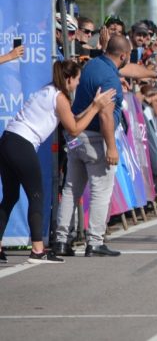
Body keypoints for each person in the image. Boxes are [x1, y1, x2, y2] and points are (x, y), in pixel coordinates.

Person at [0, 60, 115, 264]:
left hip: (8, 140)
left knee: (10, 197)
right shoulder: (60, 97)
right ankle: (37, 250)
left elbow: (71, 118)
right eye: (77, 80)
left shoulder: (49, 90)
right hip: (22, 143)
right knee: (37, 195)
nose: (79, 84)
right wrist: (96, 108)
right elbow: (74, 129)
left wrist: (92, 105)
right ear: (69, 79)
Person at [54, 35, 130, 258]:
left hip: (76, 136)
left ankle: (61, 240)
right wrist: (112, 148)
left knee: (71, 188)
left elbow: (131, 70)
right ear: (123, 56)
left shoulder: (94, 64)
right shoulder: (110, 80)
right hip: (95, 138)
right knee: (100, 191)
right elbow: (106, 116)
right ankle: (95, 242)